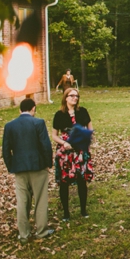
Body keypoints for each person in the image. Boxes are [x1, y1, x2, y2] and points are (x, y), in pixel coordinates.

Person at [2, 98, 55, 242]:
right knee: (40, 200)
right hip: (38, 167)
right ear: (33, 109)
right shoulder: (38, 123)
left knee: (22, 201)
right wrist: (48, 163)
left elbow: (6, 150)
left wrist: (11, 166)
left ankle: (24, 234)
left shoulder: (9, 126)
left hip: (19, 168)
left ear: (20, 110)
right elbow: (46, 145)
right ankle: (41, 231)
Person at [52, 88, 94, 220]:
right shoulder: (59, 115)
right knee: (64, 182)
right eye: (72, 96)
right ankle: (66, 213)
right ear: (65, 98)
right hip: (65, 152)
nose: (75, 98)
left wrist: (85, 141)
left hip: (80, 150)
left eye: (77, 96)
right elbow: (54, 135)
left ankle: (83, 210)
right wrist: (63, 143)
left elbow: (90, 129)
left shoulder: (83, 112)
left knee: (82, 180)